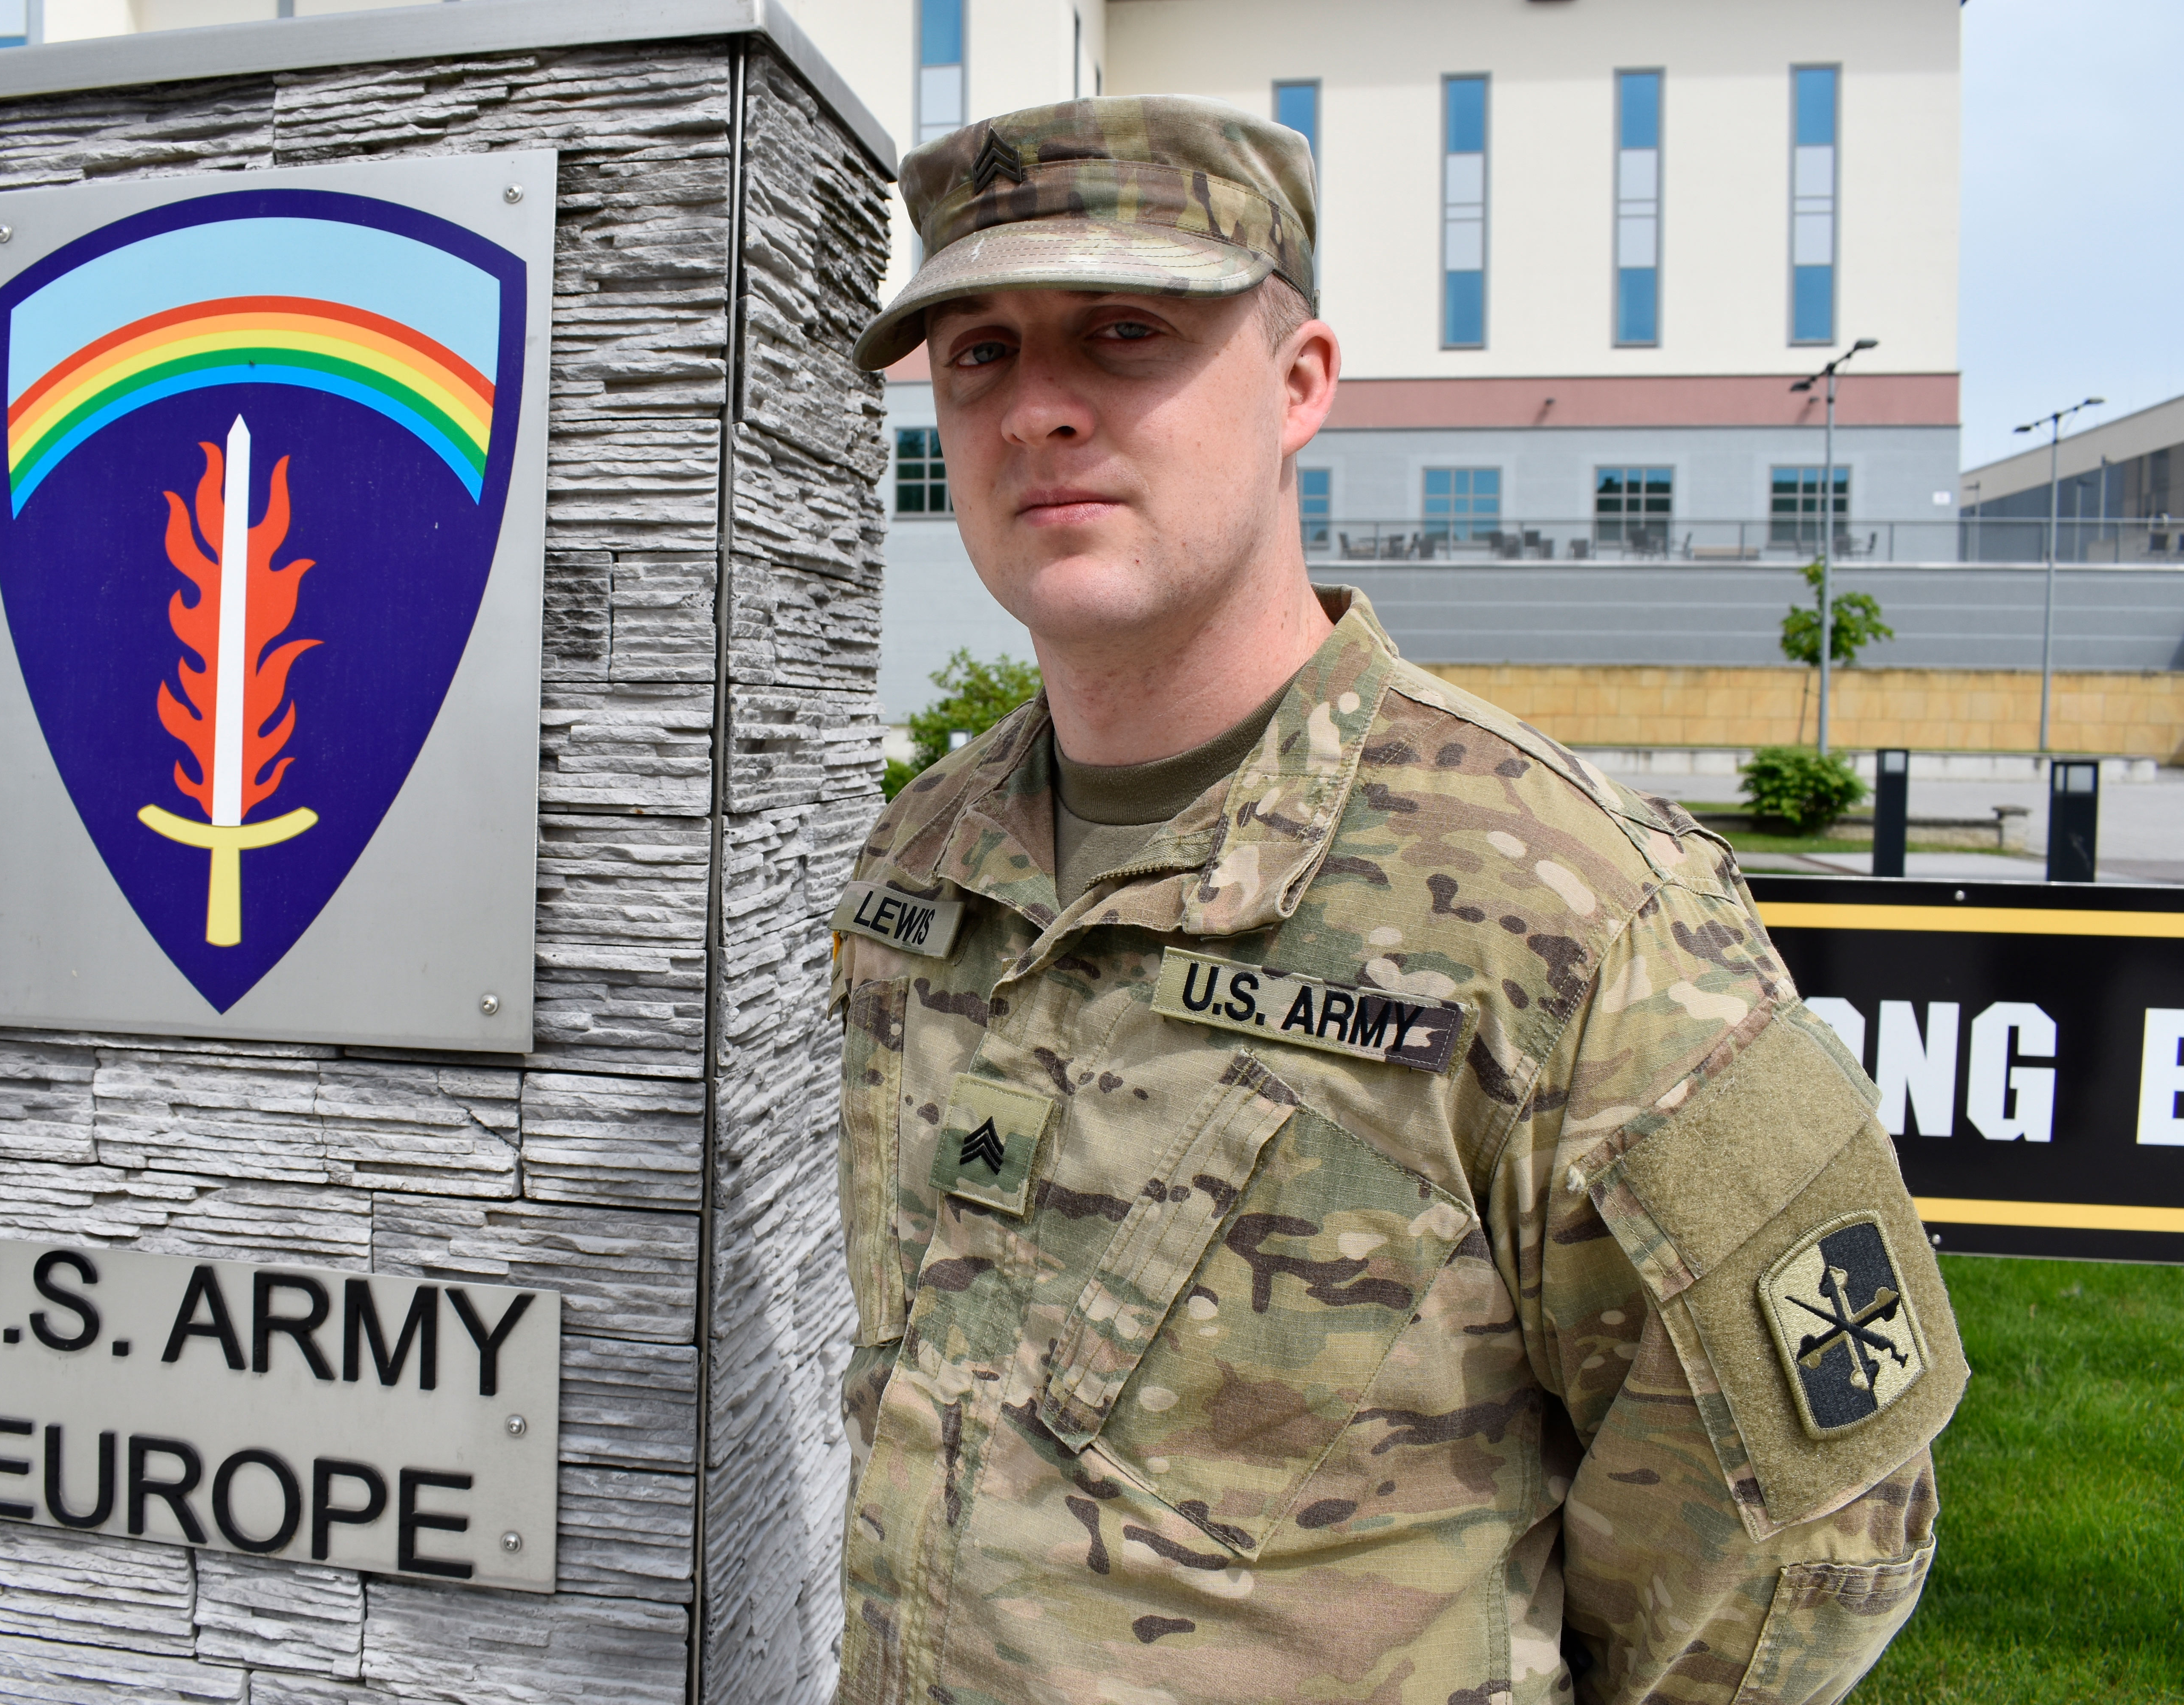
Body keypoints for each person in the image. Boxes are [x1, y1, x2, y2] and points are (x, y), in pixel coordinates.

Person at [828, 96, 1961, 1705]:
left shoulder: (1575, 915)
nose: (1039, 410)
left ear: (1301, 385)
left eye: (1127, 333)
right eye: (981, 353)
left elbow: (1810, 1537)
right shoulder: (924, 861)